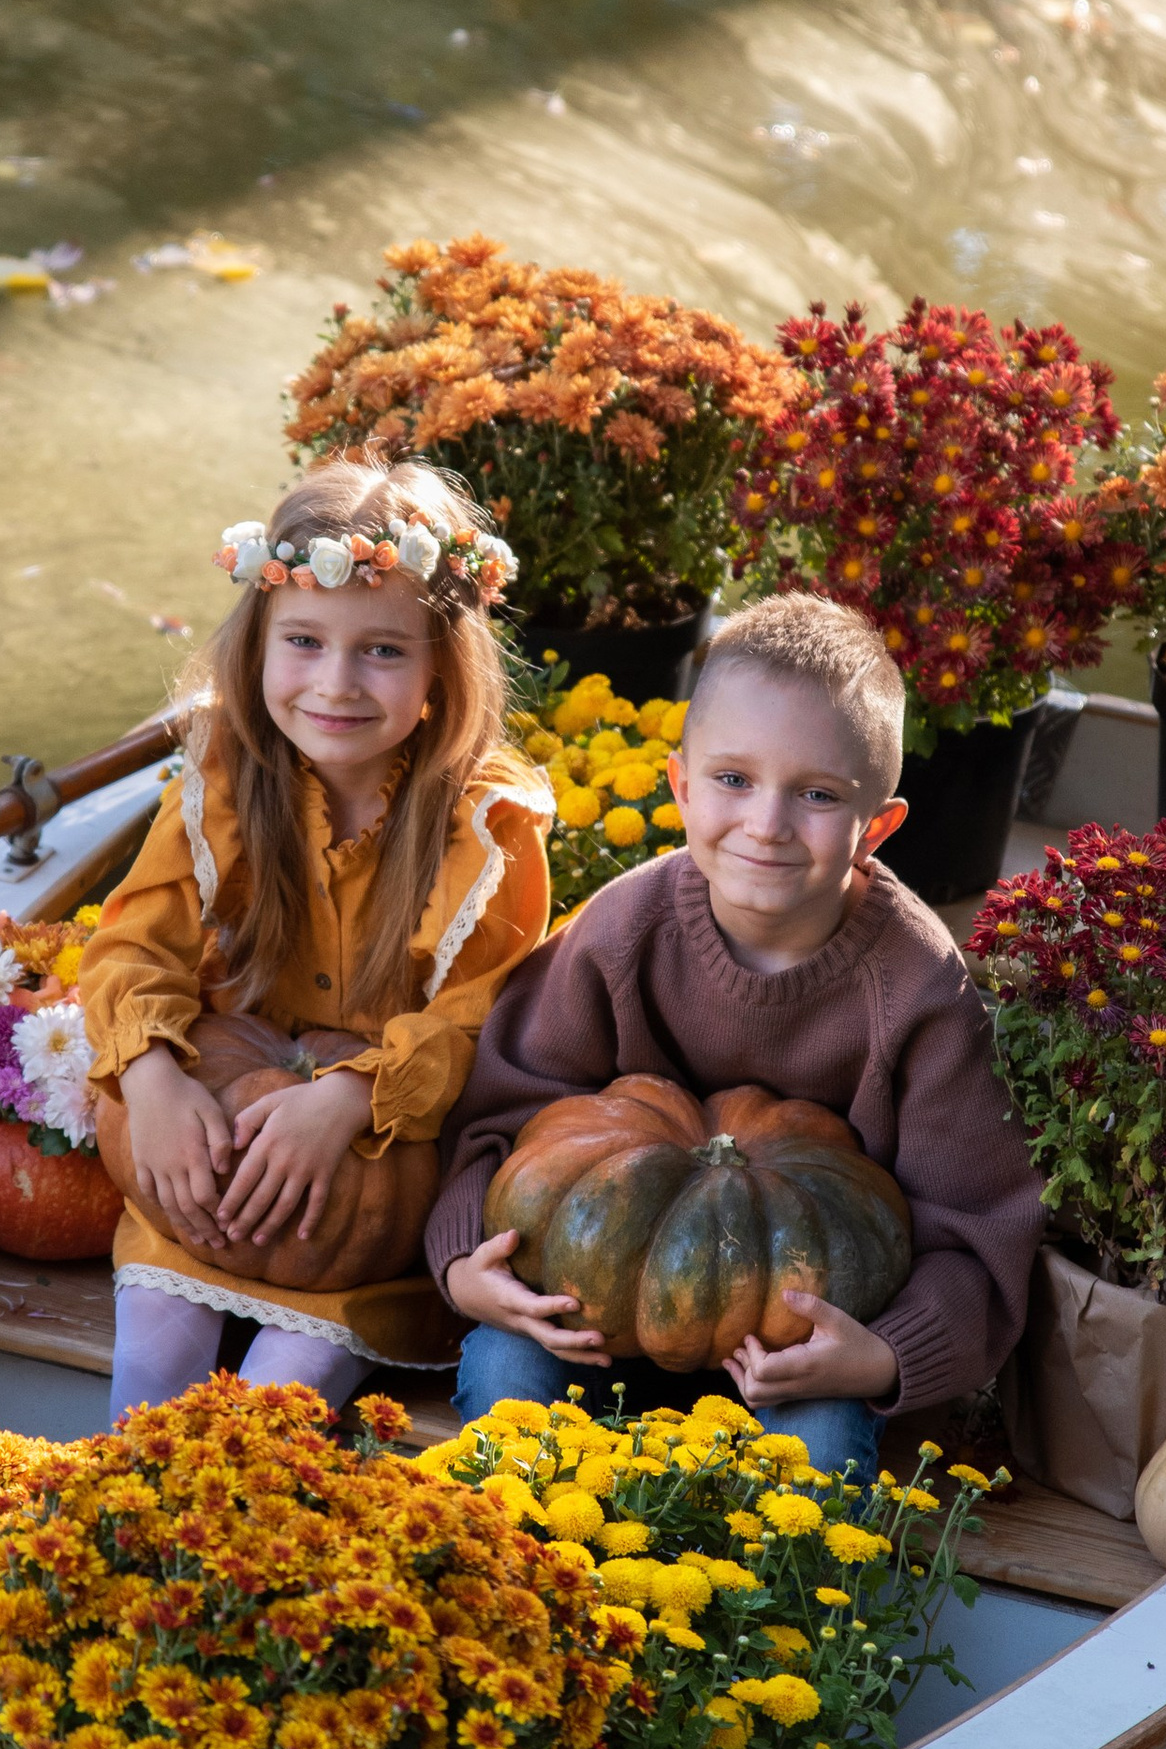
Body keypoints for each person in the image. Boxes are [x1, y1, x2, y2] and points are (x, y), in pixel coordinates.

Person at [428, 592, 1045, 1474]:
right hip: (595, 1312)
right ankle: (530, 1551)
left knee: (821, 1458)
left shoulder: (919, 992)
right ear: (681, 785)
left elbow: (978, 1222)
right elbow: (498, 1113)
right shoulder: (622, 933)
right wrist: (466, 1265)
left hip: (803, 1351)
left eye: (817, 794)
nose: (766, 824)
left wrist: (885, 1354)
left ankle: (765, 1567)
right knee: (505, 1377)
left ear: (875, 828)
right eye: (733, 780)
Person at [79, 459, 552, 1420]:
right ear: (258, 642)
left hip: (376, 1185)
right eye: (304, 640)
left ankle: (257, 1510)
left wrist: (348, 1098)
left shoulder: (485, 828)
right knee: (153, 1364)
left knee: (276, 1402)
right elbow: (135, 945)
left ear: (441, 665)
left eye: (382, 650)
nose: (337, 684)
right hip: (212, 1152)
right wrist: (152, 1079)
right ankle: (112, 1515)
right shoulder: (225, 777)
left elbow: (481, 1017)